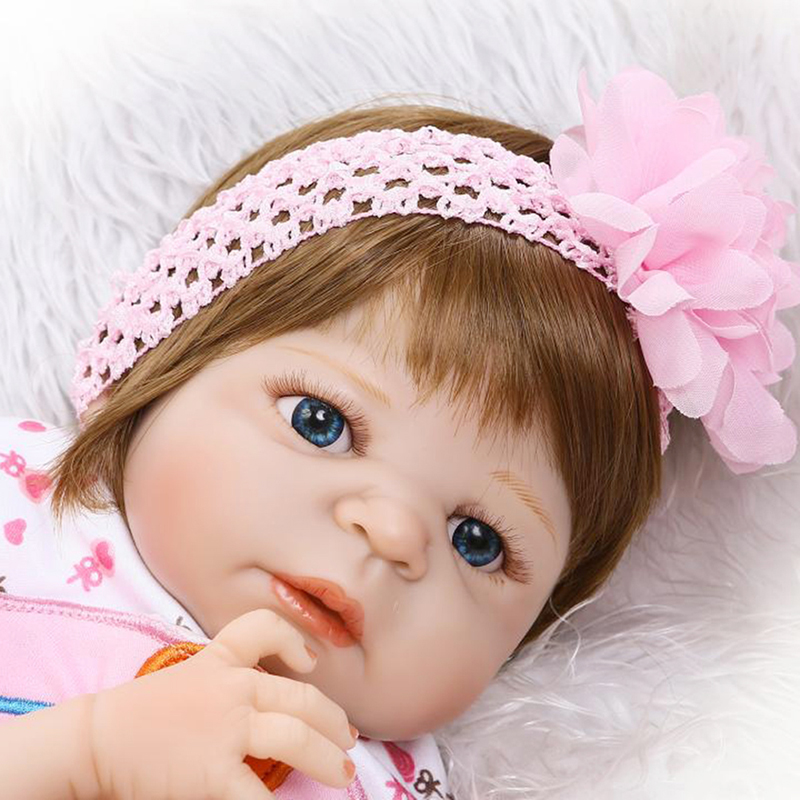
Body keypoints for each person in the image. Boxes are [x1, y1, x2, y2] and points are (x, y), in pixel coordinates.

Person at [0, 63, 796, 799]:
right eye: (321, 423)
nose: (391, 533)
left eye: (478, 541)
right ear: (164, 355)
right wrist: (86, 754)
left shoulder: (379, 780)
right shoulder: (22, 509)